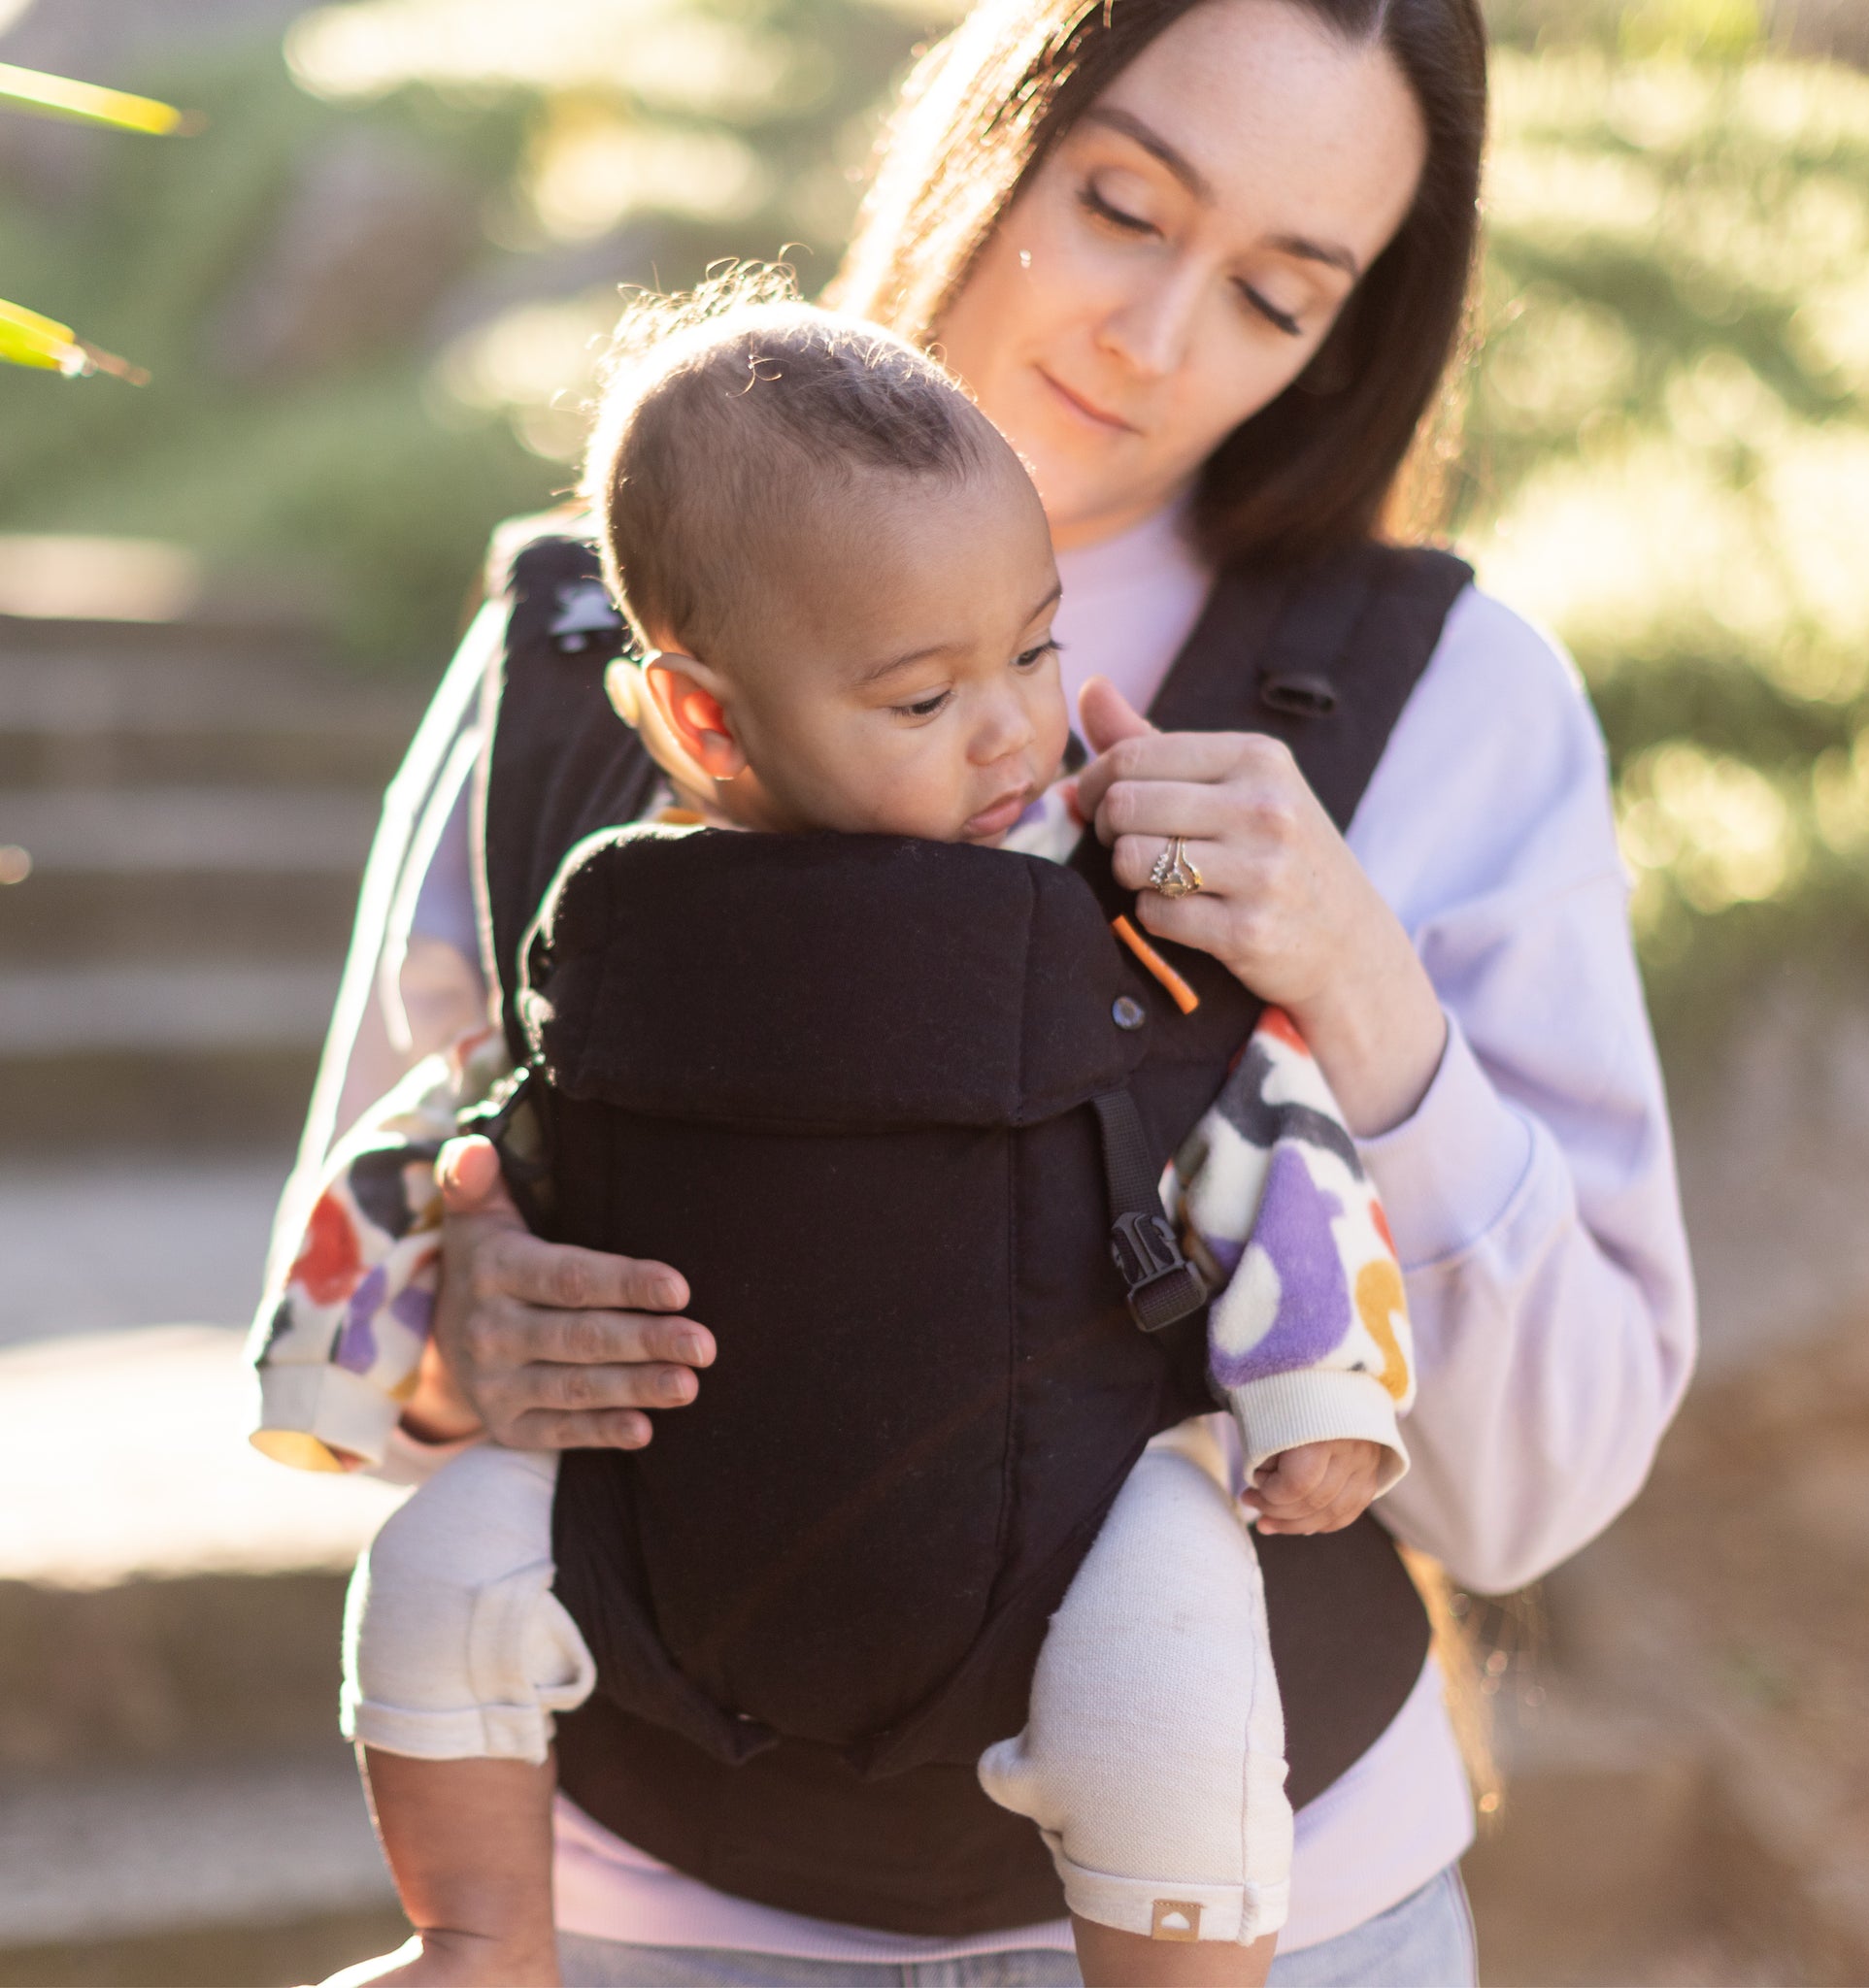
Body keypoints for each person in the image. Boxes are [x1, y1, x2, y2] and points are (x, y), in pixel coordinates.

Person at [266, 0, 1696, 1980]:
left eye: (1277, 296)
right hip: (643, 1916)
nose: (1156, 333)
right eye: (1122, 206)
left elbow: (1535, 1488)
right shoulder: (587, 645)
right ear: (989, 136)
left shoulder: (1444, 698)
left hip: (1281, 1904)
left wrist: (1364, 992)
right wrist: (454, 1325)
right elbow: (362, 1261)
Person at [268, 292, 1415, 1988]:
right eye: (921, 698)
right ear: (710, 724)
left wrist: (1322, 1397)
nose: (1016, 730)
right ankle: (480, 1937)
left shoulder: (1092, 899)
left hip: (1067, 1495)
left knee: (1179, 1649)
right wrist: (355, 1352)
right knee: (437, 1564)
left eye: (1033, 647)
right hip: (665, 1514)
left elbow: (1255, 1116)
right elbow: (458, 1121)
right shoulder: (625, 921)